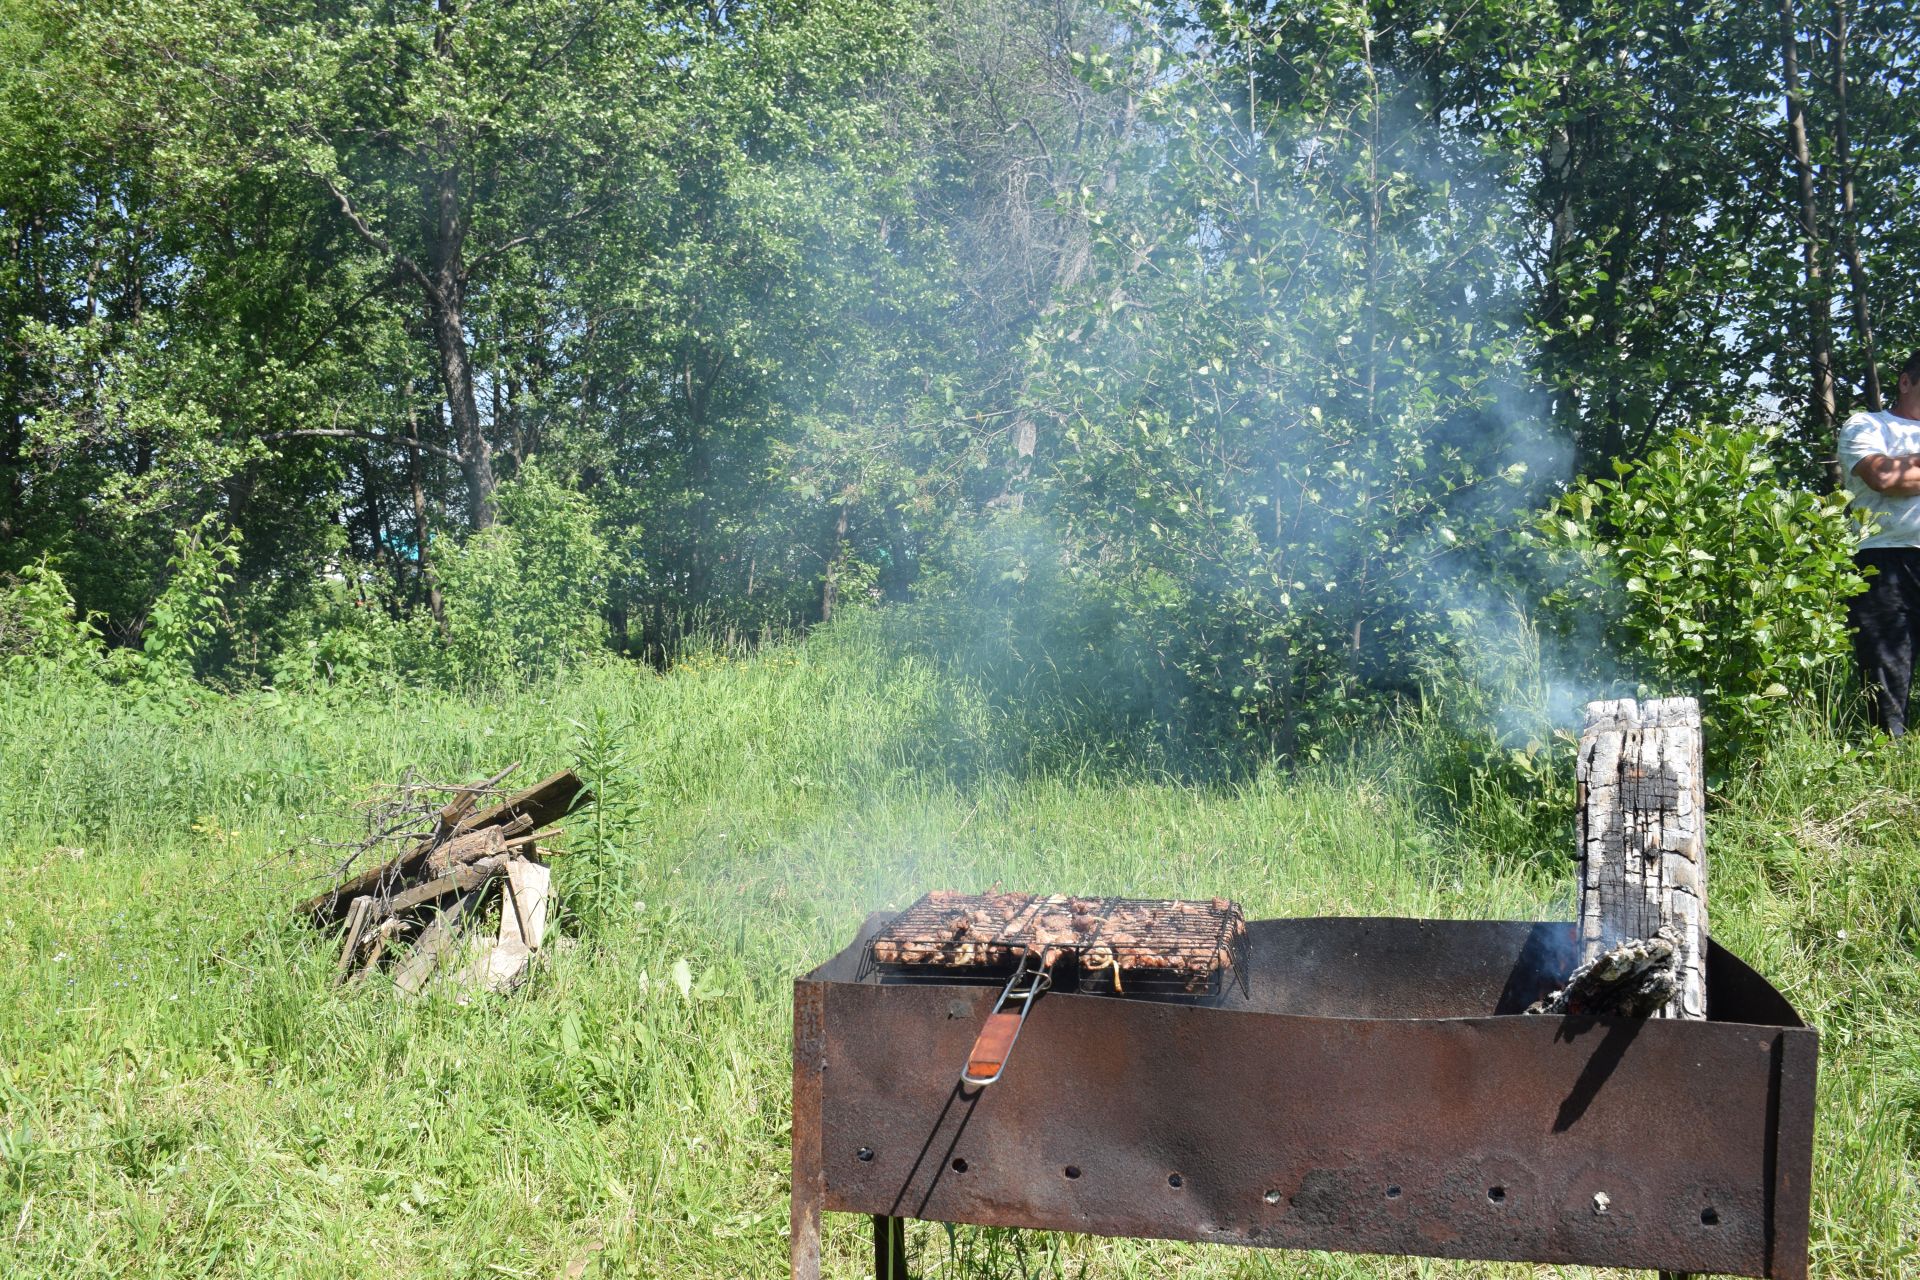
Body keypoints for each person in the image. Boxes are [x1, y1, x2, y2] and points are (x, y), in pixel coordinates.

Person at [1839, 348, 1920, 735]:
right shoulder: (1868, 425)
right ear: (1905, 382)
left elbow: (1900, 475)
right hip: (1884, 561)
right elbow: (1884, 478)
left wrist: (1910, 468)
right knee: (1887, 674)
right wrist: (1898, 471)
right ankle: (1886, 767)